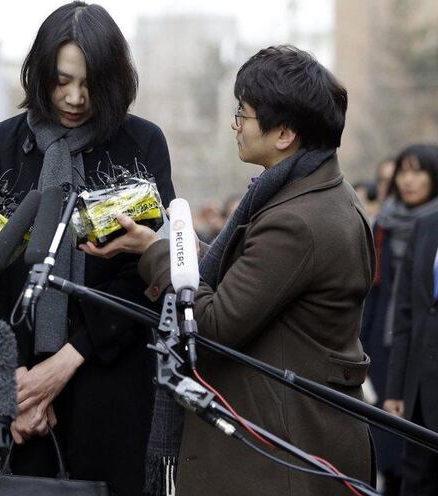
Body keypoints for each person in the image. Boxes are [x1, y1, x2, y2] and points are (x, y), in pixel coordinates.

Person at [83, 45, 375, 495]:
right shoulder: (317, 194)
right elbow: (250, 279)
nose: (235, 125)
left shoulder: (296, 220)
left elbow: (213, 324)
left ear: (283, 134)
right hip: (296, 438)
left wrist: (162, 256)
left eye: (244, 114)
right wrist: (160, 244)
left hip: (279, 456)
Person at [0, 1, 174, 495]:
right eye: (62, 80)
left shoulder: (140, 145)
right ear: (40, 72)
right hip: (11, 395)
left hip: (106, 382)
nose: (74, 97)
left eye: (89, 84)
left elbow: (146, 275)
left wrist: (65, 362)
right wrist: (9, 384)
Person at [362, 144, 438, 494]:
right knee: (405, 463)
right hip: (398, 350)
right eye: (402, 173)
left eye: (417, 171)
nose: (408, 181)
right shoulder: (398, 227)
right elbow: (400, 305)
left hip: (424, 359)